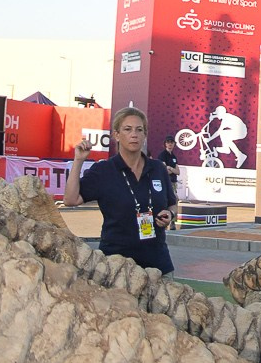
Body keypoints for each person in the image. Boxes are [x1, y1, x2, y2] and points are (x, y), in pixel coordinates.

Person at [64, 105, 177, 273]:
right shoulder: (104, 170)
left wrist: (170, 214)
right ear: (116, 135)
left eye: (139, 130)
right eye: (127, 129)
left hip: (158, 265)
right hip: (115, 267)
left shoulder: (158, 168)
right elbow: (70, 200)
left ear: (145, 135)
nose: (134, 134)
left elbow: (172, 204)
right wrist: (78, 160)